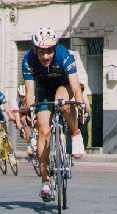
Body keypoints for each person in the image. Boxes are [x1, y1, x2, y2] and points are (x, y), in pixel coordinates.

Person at [22, 27, 85, 201]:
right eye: (42, 52)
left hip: (62, 86)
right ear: (35, 50)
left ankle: (75, 133)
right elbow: (29, 91)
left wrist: (80, 105)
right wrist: (30, 109)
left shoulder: (64, 55)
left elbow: (74, 84)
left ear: (55, 49)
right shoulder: (27, 60)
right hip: (43, 89)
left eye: (50, 51)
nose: (46, 56)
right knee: (43, 131)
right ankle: (45, 182)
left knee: (63, 104)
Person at [17, 84, 33, 155]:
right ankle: (29, 145)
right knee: (23, 119)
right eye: (21, 96)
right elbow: (19, 114)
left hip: (33, 116)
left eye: (24, 96)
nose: (23, 98)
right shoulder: (20, 103)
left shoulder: (33, 98)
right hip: (26, 118)